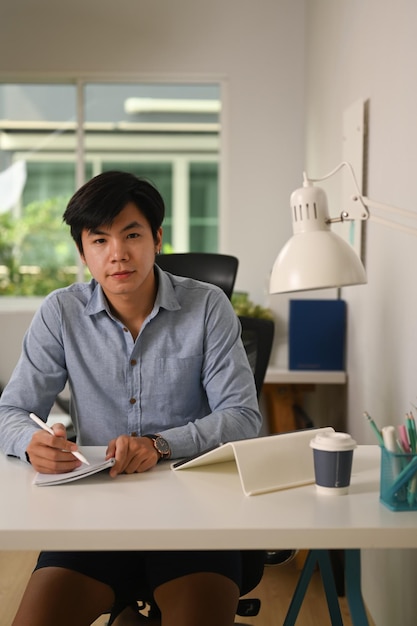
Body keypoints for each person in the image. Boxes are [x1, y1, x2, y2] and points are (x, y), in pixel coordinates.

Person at [0, 171, 264, 626]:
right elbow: (11, 411)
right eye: (99, 240)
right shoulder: (61, 313)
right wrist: (30, 441)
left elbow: (241, 417)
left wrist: (161, 443)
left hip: (195, 515)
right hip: (95, 516)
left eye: (132, 235)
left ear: (157, 239)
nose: (117, 254)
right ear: (83, 253)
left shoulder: (207, 307)